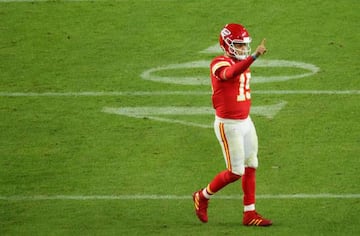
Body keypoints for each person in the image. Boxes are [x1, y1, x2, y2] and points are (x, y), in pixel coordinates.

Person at [192, 23, 272, 227]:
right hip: (228, 124)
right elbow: (230, 74)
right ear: (226, 45)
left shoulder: (240, 61)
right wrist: (253, 57)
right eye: (238, 44)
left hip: (246, 121)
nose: (243, 49)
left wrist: (249, 58)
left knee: (251, 163)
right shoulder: (218, 63)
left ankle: (250, 213)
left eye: (245, 45)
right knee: (236, 171)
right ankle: (202, 196)